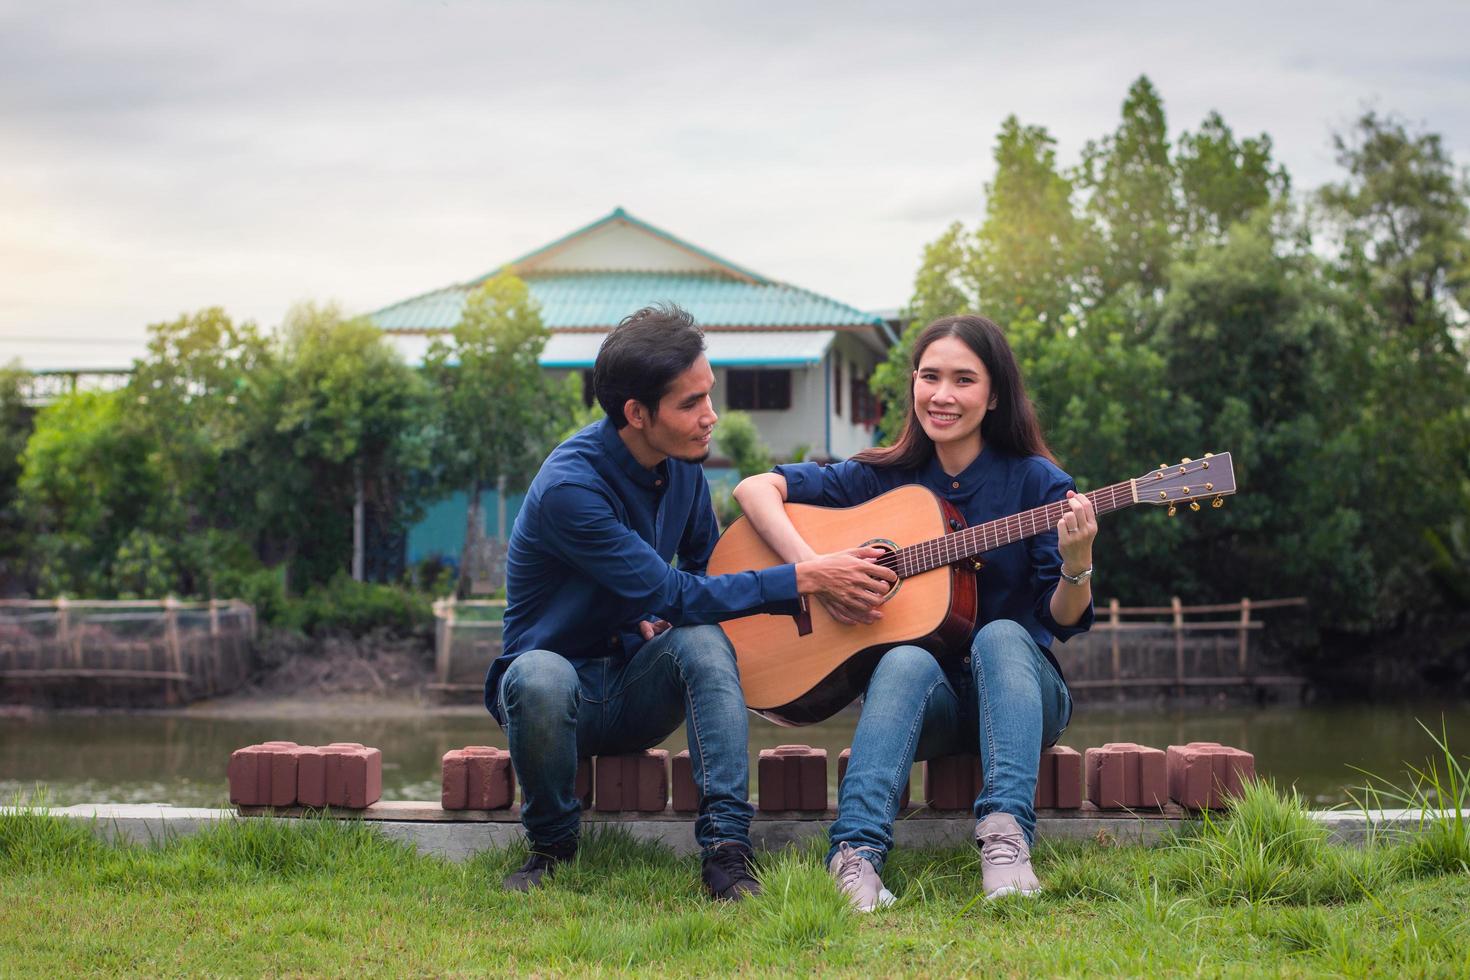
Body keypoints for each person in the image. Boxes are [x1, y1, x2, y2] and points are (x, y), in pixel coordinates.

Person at [487, 303, 897, 899]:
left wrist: (667, 617)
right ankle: (551, 848)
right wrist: (805, 576)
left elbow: (706, 567)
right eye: (690, 404)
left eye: (709, 396)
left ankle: (727, 851)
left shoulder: (680, 468)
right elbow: (676, 591)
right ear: (636, 413)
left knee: (702, 640)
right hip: (553, 697)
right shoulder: (570, 490)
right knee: (540, 675)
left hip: (634, 686)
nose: (711, 417)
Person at [733, 314, 1096, 910]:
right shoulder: (879, 478)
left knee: (1002, 635)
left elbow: (1061, 618)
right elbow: (754, 488)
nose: (943, 395)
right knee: (902, 659)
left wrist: (1076, 561)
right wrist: (814, 570)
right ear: (913, 384)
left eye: (963, 380)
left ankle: (1007, 846)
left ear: (994, 394)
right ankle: (854, 859)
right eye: (930, 377)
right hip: (927, 705)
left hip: (1018, 696)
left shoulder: (1037, 483)